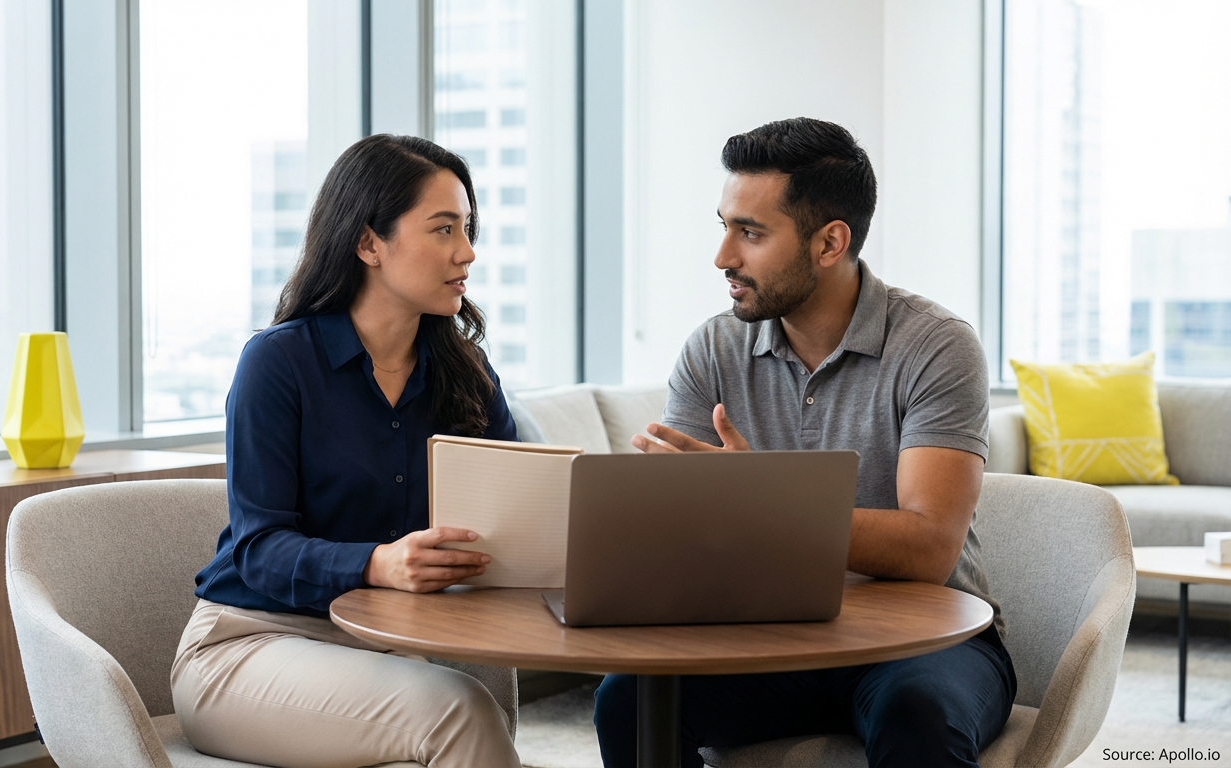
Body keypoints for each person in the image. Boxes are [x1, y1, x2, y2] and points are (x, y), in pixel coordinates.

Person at [592, 118, 1017, 768]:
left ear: (829, 243)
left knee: (917, 715)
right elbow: (679, 537)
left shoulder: (935, 346)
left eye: (751, 233)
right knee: (627, 700)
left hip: (927, 640)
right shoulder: (712, 349)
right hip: (763, 638)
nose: (723, 256)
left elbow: (931, 546)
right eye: (724, 225)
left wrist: (763, 505)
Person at [171, 134, 522, 768]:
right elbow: (259, 550)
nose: (467, 253)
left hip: (385, 644)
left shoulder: (466, 373)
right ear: (368, 244)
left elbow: (517, 516)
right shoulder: (278, 364)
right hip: (250, 645)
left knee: (465, 705)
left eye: (467, 229)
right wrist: (378, 564)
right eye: (443, 230)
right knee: (458, 712)